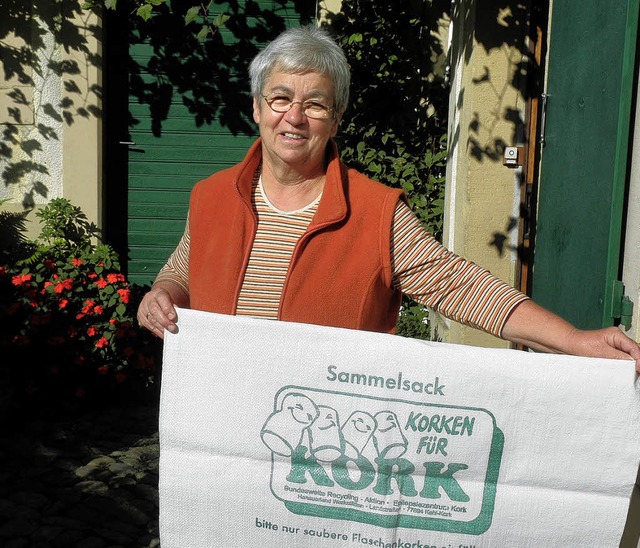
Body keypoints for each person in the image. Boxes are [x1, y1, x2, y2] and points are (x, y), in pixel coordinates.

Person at [137, 25, 640, 372]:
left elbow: (460, 286)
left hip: (321, 440)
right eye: (281, 98)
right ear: (256, 108)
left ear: (335, 122)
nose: (294, 116)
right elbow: (183, 270)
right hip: (218, 412)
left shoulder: (376, 212)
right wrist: (161, 296)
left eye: (315, 104)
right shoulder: (211, 197)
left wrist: (573, 341)